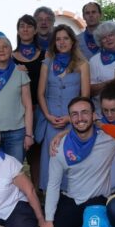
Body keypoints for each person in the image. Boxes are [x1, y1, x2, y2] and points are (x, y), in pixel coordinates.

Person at [40, 97, 115, 227]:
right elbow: (53, 185)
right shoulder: (59, 147)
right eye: (74, 114)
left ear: (94, 115)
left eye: (85, 113)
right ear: (70, 118)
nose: (80, 118)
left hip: (98, 200)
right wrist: (49, 220)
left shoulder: (109, 140)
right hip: (73, 200)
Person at [36, 25, 90, 189]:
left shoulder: (82, 64)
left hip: (73, 120)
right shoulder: (47, 63)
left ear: (73, 41)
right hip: (51, 119)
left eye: (65, 38)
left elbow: (85, 96)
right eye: (58, 39)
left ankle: (71, 197)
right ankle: (51, 200)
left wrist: (71, 118)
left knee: (71, 157)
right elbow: (40, 94)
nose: (62, 42)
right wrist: (48, 115)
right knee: (51, 160)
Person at [13, 14, 46, 181]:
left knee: (37, 151)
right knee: (17, 152)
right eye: (22, 26)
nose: (25, 29)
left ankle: (37, 188)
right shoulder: (11, 57)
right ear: (18, 31)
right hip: (17, 111)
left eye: (29, 26)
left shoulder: (45, 55)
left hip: (39, 108)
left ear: (35, 30)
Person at [88, 20, 115, 102]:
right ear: (100, 42)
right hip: (101, 108)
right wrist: (112, 83)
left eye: (111, 35)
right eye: (104, 38)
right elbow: (90, 90)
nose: (108, 39)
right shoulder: (94, 60)